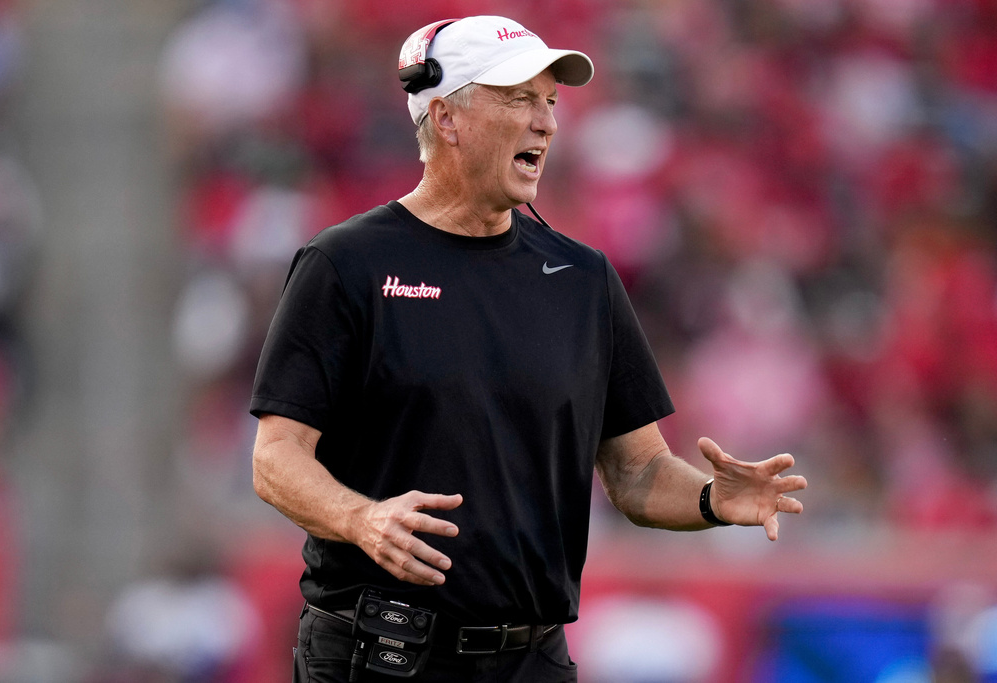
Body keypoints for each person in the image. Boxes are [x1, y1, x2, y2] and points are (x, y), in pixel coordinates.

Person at [250, 15, 807, 683]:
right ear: (445, 118)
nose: (546, 123)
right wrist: (361, 518)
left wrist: (712, 499)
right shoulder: (347, 264)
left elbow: (637, 472)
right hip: (378, 655)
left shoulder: (583, 279)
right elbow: (275, 457)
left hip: (532, 660)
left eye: (549, 101)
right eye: (518, 99)